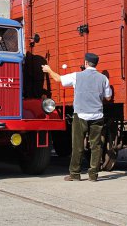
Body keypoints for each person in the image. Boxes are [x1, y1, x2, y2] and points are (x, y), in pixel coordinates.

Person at [42, 53, 112, 182]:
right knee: (96, 146)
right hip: (97, 115)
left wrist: (49, 70)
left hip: (80, 115)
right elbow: (108, 97)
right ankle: (93, 175)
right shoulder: (104, 79)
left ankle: (75, 174)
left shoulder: (77, 76)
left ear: (85, 63)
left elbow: (58, 79)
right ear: (96, 64)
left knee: (78, 145)